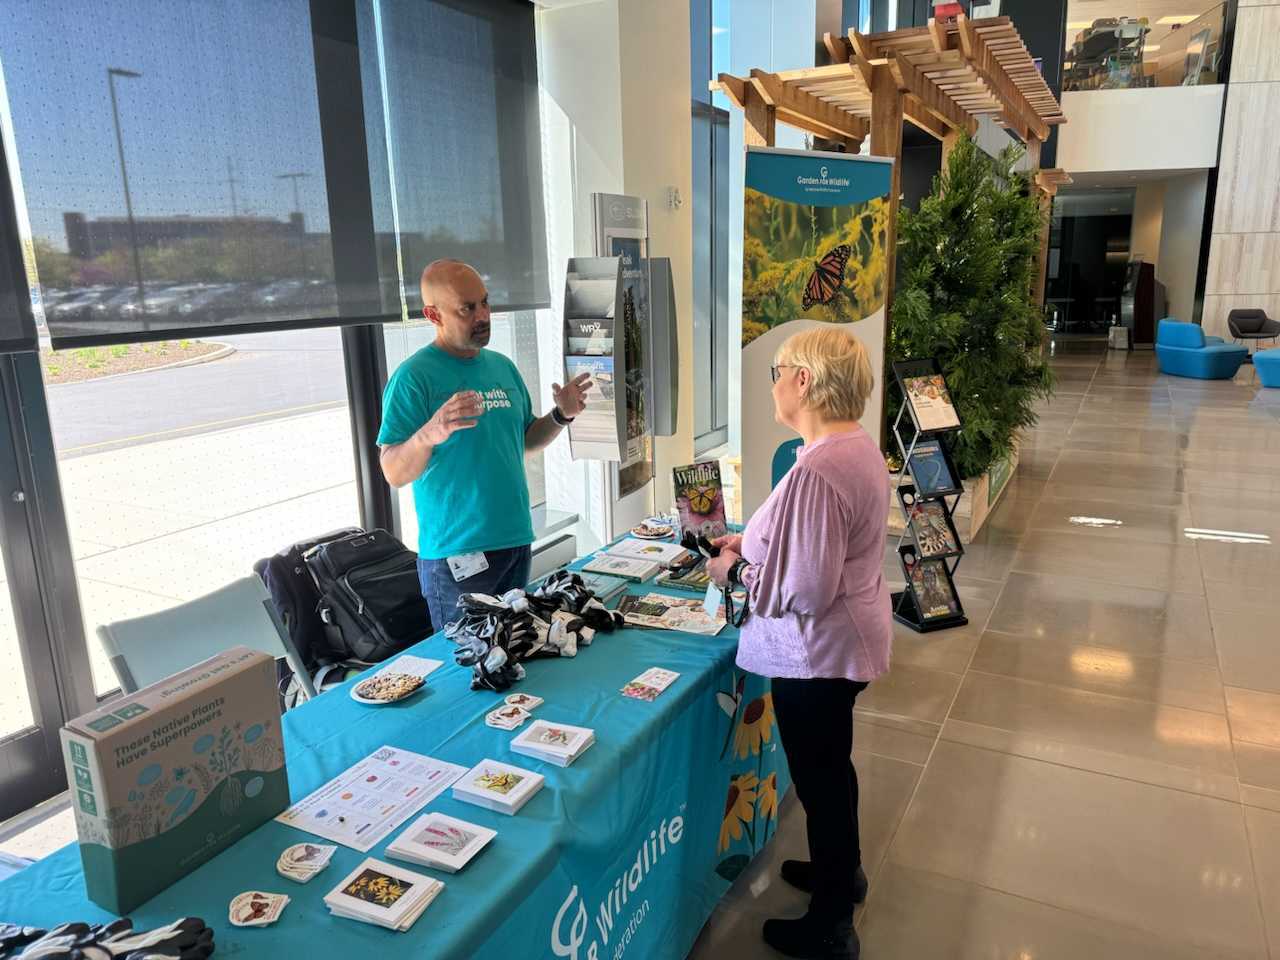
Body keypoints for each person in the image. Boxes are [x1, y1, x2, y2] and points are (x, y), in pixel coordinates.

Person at [706, 326, 891, 960]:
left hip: (817, 654)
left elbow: (804, 589)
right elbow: (809, 552)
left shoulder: (818, 468)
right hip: (843, 645)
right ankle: (845, 874)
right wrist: (751, 546)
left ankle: (832, 923)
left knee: (818, 778)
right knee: (831, 770)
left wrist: (737, 571)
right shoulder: (852, 447)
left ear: (804, 381)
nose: (774, 383)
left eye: (778, 371)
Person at [378, 259, 590, 629]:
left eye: (485, 303)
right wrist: (428, 433)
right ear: (433, 314)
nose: (483, 315)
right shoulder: (413, 378)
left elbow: (524, 441)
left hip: (514, 541)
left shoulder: (502, 367)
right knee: (469, 671)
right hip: (457, 554)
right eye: (467, 308)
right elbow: (393, 471)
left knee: (514, 657)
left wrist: (560, 415)